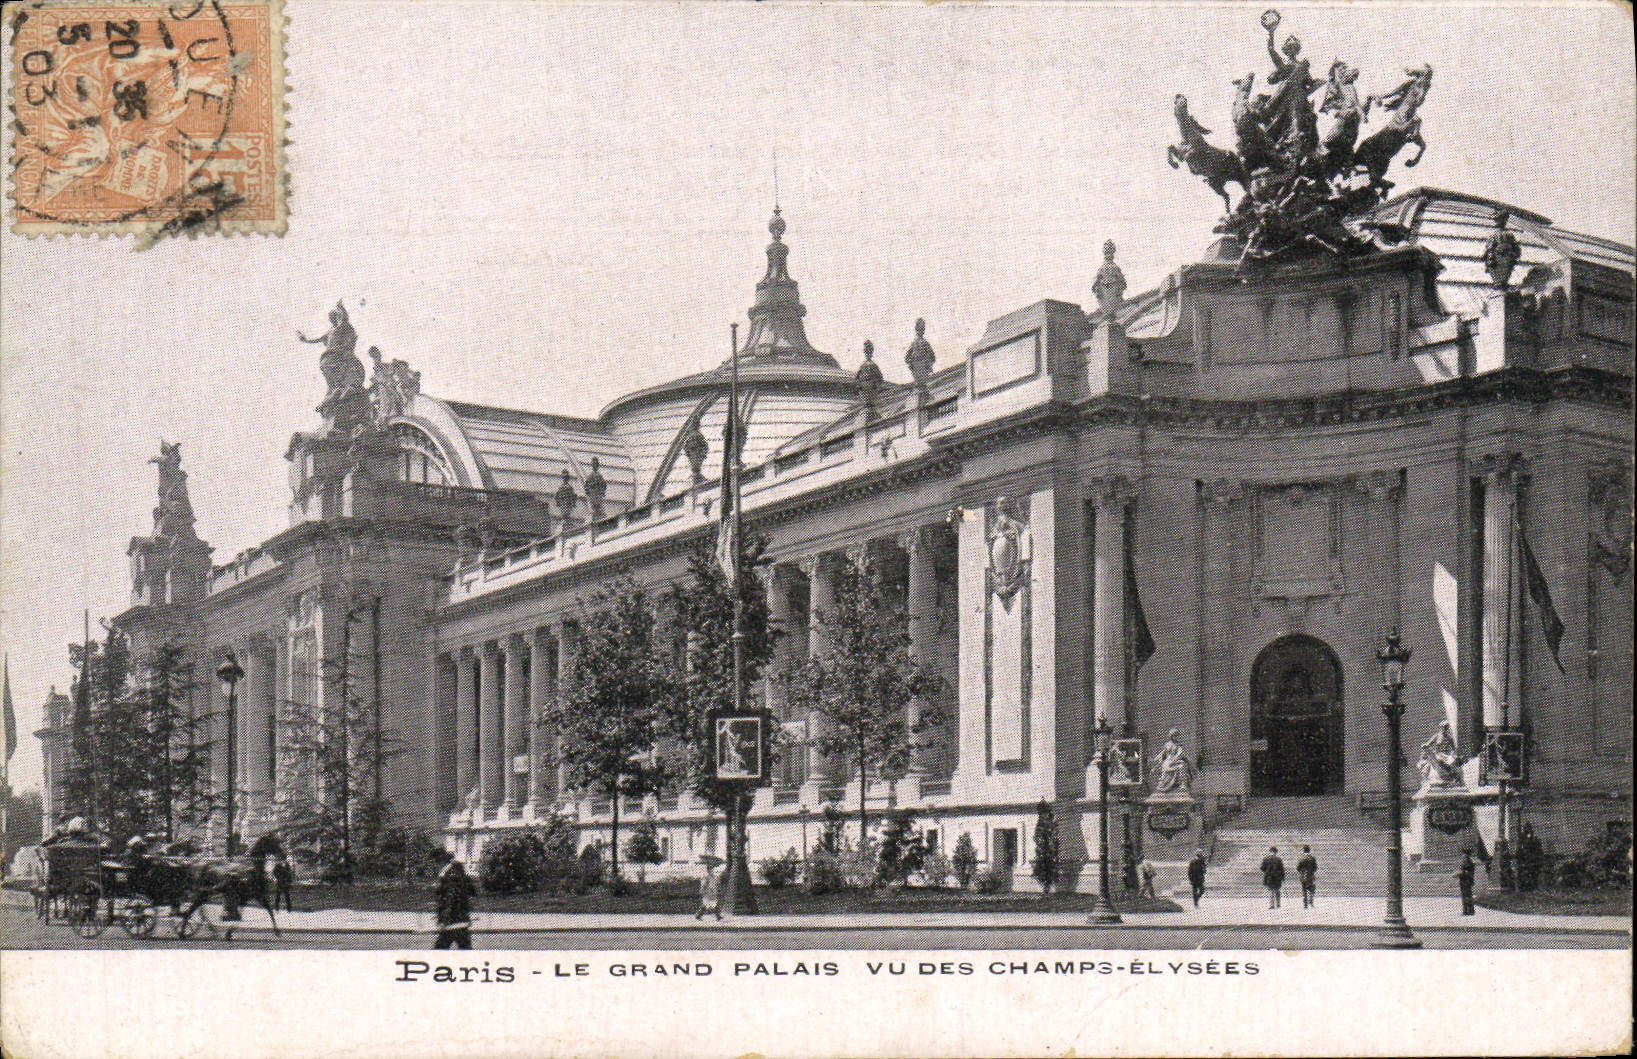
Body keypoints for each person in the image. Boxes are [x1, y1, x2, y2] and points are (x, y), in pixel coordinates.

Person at [433, 859, 475, 949]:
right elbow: (472, 893)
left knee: (439, 950)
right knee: (466, 949)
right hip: (462, 922)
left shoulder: (451, 882)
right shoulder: (463, 881)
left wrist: (444, 919)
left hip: (451, 923)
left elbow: (449, 902)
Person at [695, 855, 724, 921]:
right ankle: (699, 915)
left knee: (712, 904)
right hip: (708, 893)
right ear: (708, 870)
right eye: (710, 870)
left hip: (712, 892)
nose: (712, 871)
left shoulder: (713, 877)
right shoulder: (707, 877)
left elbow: (716, 884)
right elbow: (704, 885)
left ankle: (718, 916)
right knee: (707, 905)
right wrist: (702, 891)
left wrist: (717, 889)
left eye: (712, 870)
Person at [1455, 849, 1477, 916]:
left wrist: (1459, 873)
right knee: (1467, 896)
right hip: (1466, 880)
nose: (1462, 856)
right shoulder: (1469, 861)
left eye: (1463, 854)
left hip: (1466, 881)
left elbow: (1467, 872)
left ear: (1466, 855)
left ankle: (1467, 911)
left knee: (1466, 896)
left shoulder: (1467, 861)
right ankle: (1469, 910)